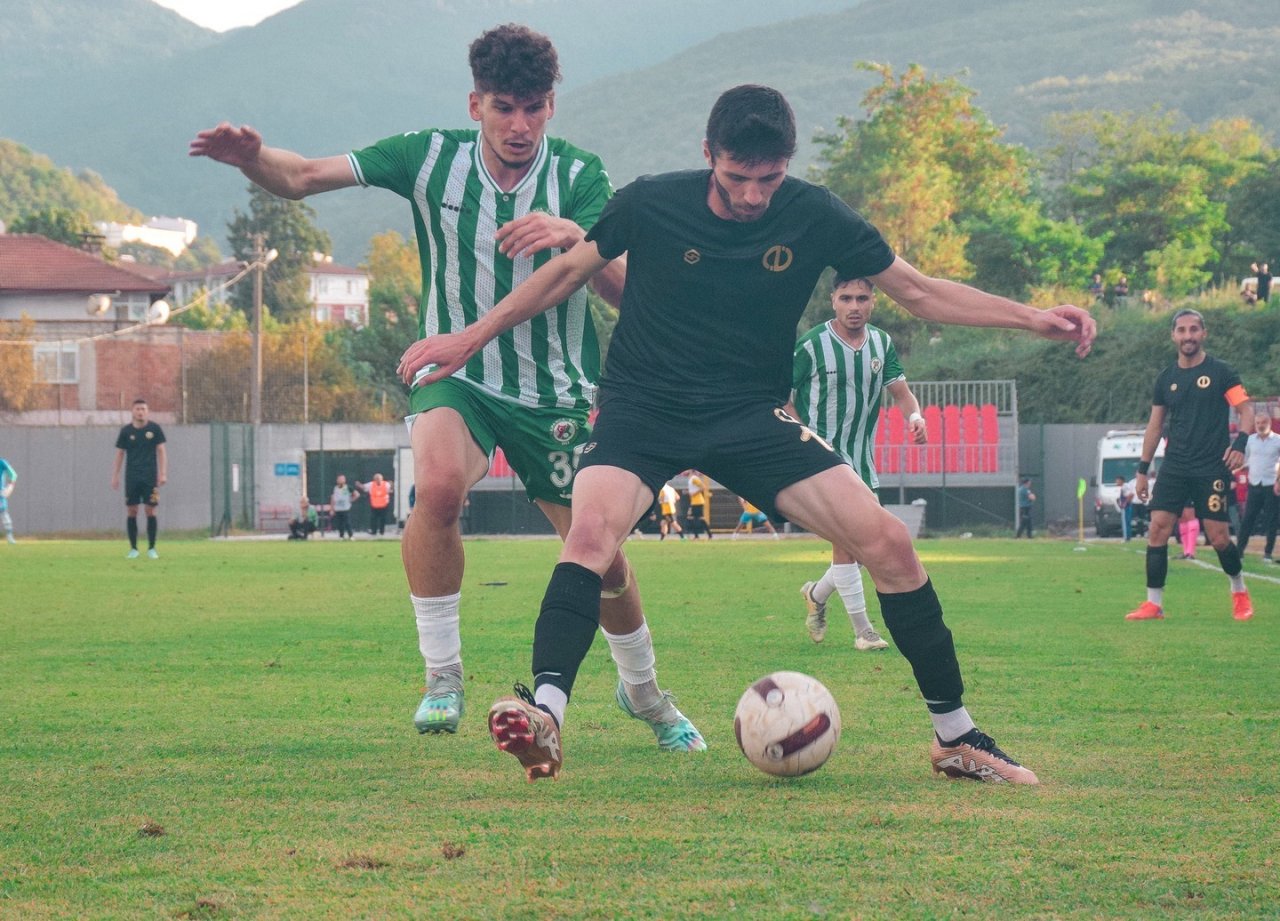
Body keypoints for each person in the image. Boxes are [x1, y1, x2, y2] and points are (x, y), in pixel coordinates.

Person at [399, 84, 1096, 784]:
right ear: (708, 156)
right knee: (588, 538)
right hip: (643, 406)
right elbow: (562, 275)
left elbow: (918, 289)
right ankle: (546, 714)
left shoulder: (815, 213)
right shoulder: (650, 201)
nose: (755, 196)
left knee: (889, 541)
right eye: (738, 178)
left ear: (786, 165)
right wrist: (471, 336)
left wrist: (1032, 316)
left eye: (770, 179)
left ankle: (956, 737)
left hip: (749, 413)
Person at [189, 24, 703, 751]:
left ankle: (645, 692)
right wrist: (253, 161)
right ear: (475, 105)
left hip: (556, 391)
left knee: (605, 557)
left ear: (552, 106)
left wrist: (570, 238)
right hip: (457, 376)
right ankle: (442, 675)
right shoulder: (427, 157)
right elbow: (301, 176)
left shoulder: (583, 178)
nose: (519, 124)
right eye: (504, 107)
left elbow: (625, 292)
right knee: (436, 487)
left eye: (534, 107)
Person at [791, 275, 926, 653]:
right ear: (833, 300)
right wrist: (801, 438)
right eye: (846, 297)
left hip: (863, 461)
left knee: (866, 548)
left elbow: (902, 394)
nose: (854, 306)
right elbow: (783, 399)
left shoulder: (881, 343)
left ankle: (817, 594)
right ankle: (863, 631)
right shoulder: (812, 344)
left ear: (873, 302)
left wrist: (916, 418)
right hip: (822, 461)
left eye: (862, 298)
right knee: (847, 545)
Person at [1126, 309, 1255, 622]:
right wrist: (1142, 470)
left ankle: (1239, 590)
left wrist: (1240, 445)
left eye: (1193, 330)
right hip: (1175, 466)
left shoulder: (1222, 372)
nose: (1188, 336)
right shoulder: (1165, 379)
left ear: (1203, 334)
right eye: (1182, 331)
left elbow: (1246, 411)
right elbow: (1155, 426)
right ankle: (1153, 604)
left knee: (1219, 537)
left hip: (1211, 466)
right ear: (1173, 336)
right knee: (1157, 528)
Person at [110, 398, 167, 559]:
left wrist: (163, 473)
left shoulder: (154, 429)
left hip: (150, 478)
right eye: (137, 409)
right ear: (132, 411)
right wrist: (115, 475)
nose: (140, 412)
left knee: (151, 510)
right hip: (132, 477)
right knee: (132, 510)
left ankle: (151, 548)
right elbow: (120, 453)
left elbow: (161, 451)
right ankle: (134, 548)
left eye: (143, 409)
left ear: (147, 411)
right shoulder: (126, 432)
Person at [1236, 412, 1280, 562]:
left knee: (1271, 520)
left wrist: (1278, 481)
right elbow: (1245, 460)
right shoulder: (1250, 441)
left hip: (1271, 484)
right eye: (1258, 423)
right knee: (1248, 519)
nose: (1260, 425)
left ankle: (1267, 553)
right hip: (1254, 483)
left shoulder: (1278, 441)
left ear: (1269, 423)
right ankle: (1239, 551)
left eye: (1263, 422)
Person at [685, 470, 713, 538]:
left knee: (692, 518)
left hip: (697, 502)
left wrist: (694, 493)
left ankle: (697, 535)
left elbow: (703, 487)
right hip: (695, 502)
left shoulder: (694, 478)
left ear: (691, 471)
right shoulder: (692, 479)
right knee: (698, 518)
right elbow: (694, 489)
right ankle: (708, 535)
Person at [330, 474, 358, 540]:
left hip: (345, 508)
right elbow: (333, 498)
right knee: (340, 524)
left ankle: (351, 536)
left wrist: (351, 500)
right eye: (339, 479)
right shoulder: (335, 488)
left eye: (342, 479)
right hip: (338, 509)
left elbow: (357, 494)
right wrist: (332, 509)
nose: (341, 481)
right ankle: (341, 536)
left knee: (347, 523)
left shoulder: (348, 487)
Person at [1115, 475, 1136, 542]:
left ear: (1121, 481)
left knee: (1125, 522)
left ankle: (1126, 538)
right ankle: (1128, 537)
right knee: (1127, 522)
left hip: (1126, 507)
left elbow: (1130, 495)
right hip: (1126, 506)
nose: (1116, 482)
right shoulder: (1124, 486)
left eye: (1117, 481)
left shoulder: (1124, 487)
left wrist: (1124, 503)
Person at [0, 456, 16, 544]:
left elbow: (13, 474)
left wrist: (10, 486)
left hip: (0, 494)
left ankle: (9, 536)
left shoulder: (2, 462)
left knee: (4, 513)